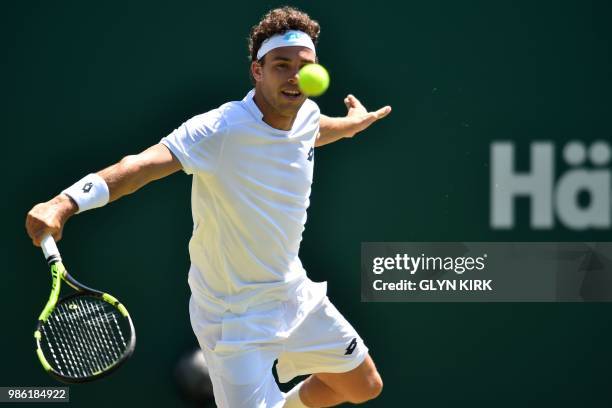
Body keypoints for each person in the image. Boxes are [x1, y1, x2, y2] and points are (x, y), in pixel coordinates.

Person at [26, 6, 391, 408]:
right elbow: (137, 169)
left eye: (303, 67)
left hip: (292, 293)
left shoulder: (305, 113)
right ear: (257, 71)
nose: (293, 76)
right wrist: (65, 201)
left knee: (363, 386)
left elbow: (314, 131)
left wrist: (351, 125)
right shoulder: (220, 129)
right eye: (280, 65)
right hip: (232, 318)